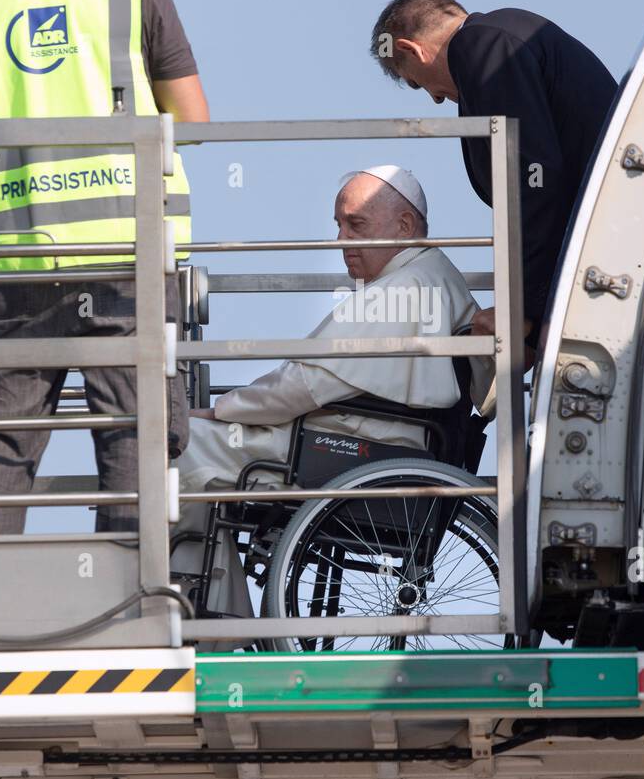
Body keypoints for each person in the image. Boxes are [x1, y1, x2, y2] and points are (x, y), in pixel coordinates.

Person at [0, 0, 209, 534]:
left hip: (10, 265)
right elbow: (195, 121)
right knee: (136, 429)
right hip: (127, 257)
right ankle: (128, 600)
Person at [170, 166, 493, 616]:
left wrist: (222, 410)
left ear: (404, 225)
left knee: (181, 449)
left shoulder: (404, 287)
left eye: (356, 224)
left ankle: (204, 614)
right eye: (338, 225)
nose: (341, 241)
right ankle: (212, 610)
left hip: (350, 452)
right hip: (377, 447)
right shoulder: (432, 275)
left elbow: (303, 385)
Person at [370, 0, 618, 356]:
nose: (436, 97)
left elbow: (534, 179)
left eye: (417, 82)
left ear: (410, 49)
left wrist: (522, 310)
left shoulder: (479, 46)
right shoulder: (498, 38)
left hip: (603, 246)